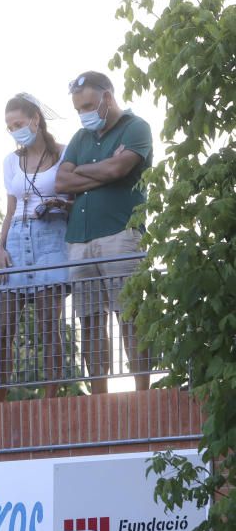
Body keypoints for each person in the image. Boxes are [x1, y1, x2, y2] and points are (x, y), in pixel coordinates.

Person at [56, 71, 153, 393]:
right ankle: (99, 399)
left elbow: (118, 168)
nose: (83, 113)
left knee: (131, 316)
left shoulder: (136, 127)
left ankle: (143, 393)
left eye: (88, 105)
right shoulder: (80, 138)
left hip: (121, 233)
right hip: (79, 240)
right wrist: (105, 173)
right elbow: (61, 181)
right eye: (78, 108)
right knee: (90, 321)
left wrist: (94, 171)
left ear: (107, 97)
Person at [0, 93, 71, 402]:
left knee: (48, 325)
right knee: (4, 327)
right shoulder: (11, 161)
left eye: (19, 123)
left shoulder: (64, 153)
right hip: (16, 236)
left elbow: (75, 196)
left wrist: (58, 203)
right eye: (10, 126)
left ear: (36, 120)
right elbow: (9, 208)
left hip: (50, 234)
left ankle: (51, 397)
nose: (15, 130)